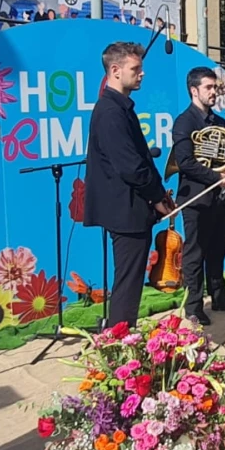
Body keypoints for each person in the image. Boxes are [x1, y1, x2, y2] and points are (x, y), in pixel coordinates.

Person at [84, 42, 173, 326]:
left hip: (132, 207)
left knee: (131, 280)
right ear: (115, 70)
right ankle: (119, 345)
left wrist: (157, 193)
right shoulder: (110, 111)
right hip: (125, 210)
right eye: (135, 69)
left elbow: (139, 160)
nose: (142, 74)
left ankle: (122, 338)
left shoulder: (120, 107)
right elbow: (130, 167)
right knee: (128, 281)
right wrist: (158, 196)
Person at [172, 67, 225, 325]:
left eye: (215, 87)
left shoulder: (220, 122)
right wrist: (217, 177)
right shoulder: (184, 122)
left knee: (218, 249)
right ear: (194, 91)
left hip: (221, 197)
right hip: (197, 198)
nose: (214, 92)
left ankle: (219, 295)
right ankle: (193, 306)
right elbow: (186, 162)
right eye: (208, 88)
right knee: (195, 253)